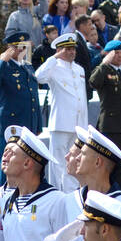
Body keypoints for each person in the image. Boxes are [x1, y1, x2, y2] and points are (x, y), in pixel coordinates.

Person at [35, 32, 88, 190]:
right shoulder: (53, 67)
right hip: (61, 121)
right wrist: (54, 58)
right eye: (67, 49)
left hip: (78, 123)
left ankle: (71, 191)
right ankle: (56, 190)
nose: (71, 52)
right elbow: (39, 77)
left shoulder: (79, 69)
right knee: (57, 160)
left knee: (74, 159)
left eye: (73, 49)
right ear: (59, 50)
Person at [0, 31, 42, 159]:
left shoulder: (28, 67)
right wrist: (2, 62)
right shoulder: (4, 66)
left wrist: (38, 124)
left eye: (24, 46)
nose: (21, 50)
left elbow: (34, 97)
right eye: (17, 47)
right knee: (9, 164)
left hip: (29, 125)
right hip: (11, 126)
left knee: (28, 164)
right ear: (9, 48)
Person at [89, 38, 121, 152]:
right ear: (108, 54)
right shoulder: (103, 70)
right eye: (116, 53)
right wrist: (104, 63)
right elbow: (93, 82)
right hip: (111, 126)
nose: (120, 56)